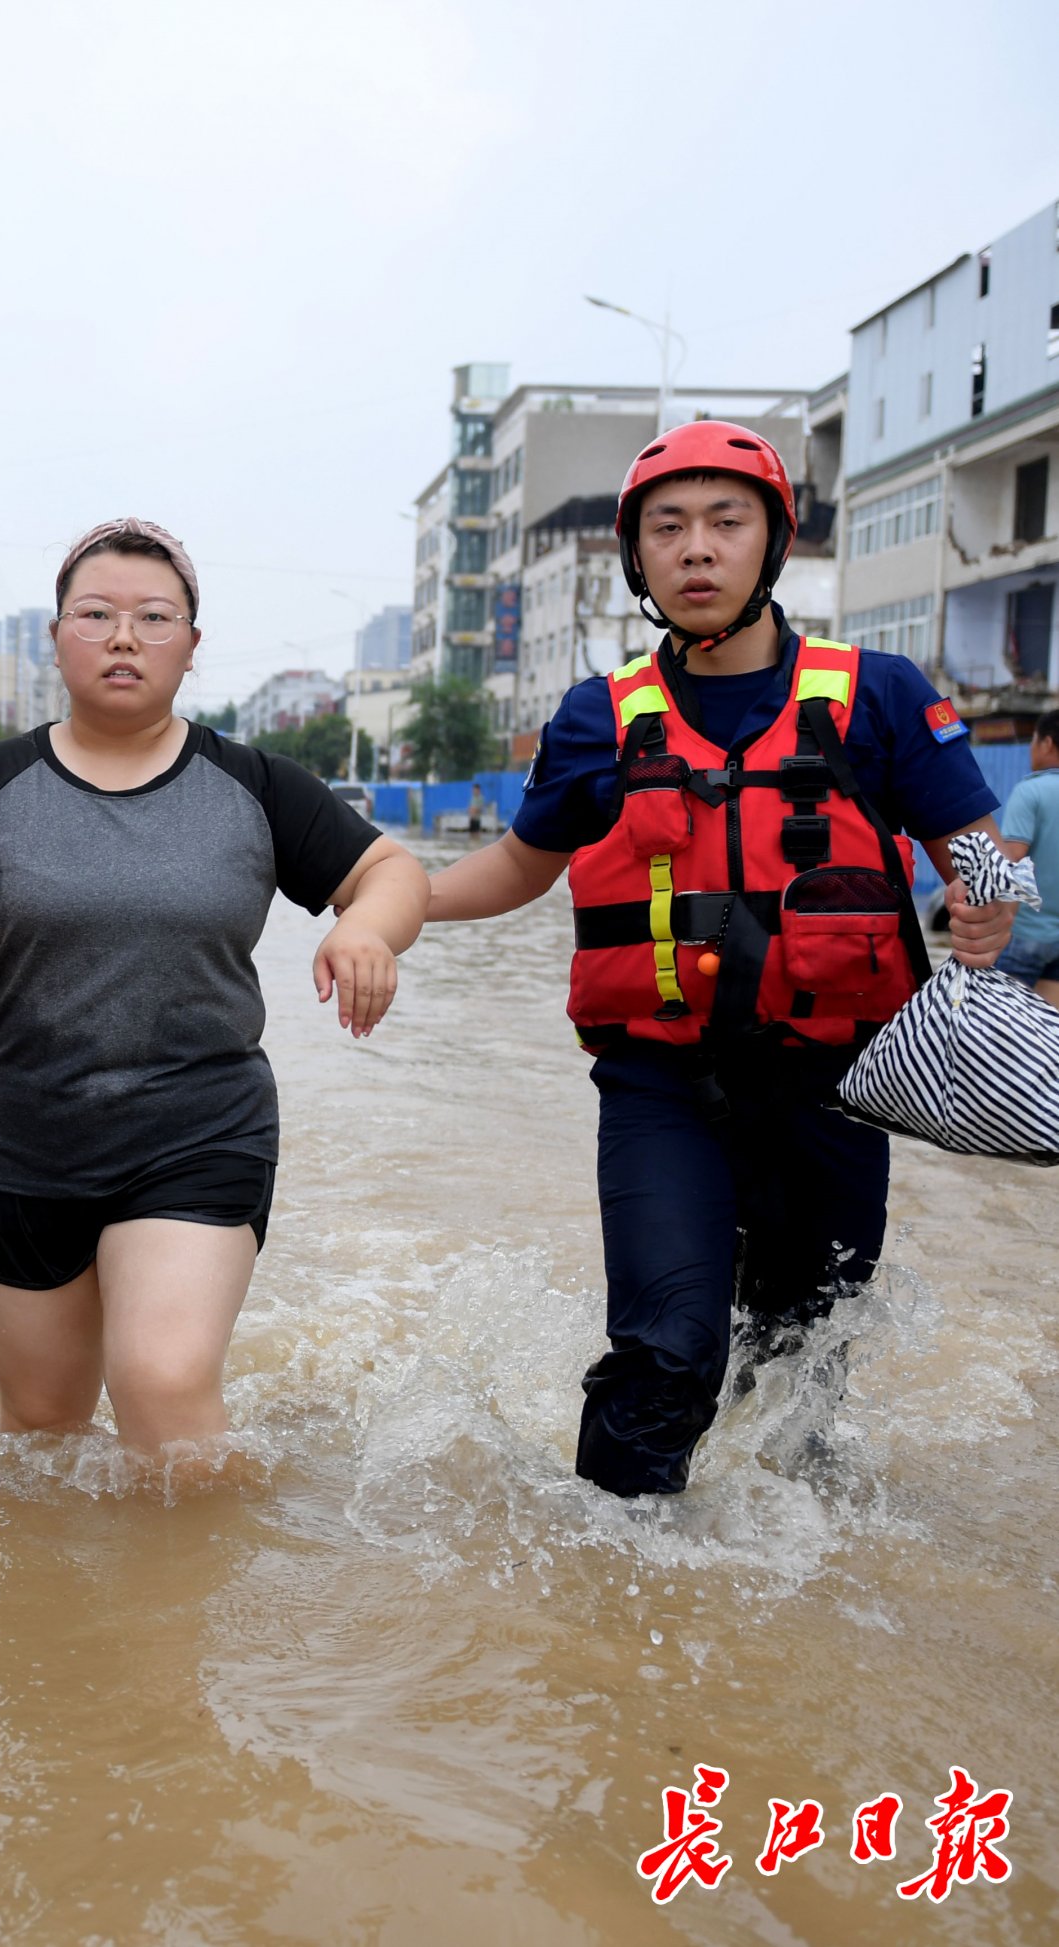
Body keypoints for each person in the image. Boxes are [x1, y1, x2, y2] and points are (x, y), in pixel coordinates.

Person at [424, 423, 1016, 1497]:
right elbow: (517, 868)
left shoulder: (874, 695)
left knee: (798, 1372)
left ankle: (778, 1609)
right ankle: (604, 1614)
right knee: (662, 1361)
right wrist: (389, 907)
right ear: (638, 560)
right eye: (668, 528)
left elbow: (969, 850)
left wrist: (987, 901)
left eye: (723, 522)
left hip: (837, 1088)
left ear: (771, 542)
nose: (695, 548)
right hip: (661, 1086)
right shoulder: (595, 719)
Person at [0, 518, 429, 1459]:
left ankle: (192, 1607)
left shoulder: (253, 783)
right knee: (41, 1435)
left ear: (191, 645)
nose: (122, 637)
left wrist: (364, 925)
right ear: (55, 636)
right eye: (94, 613)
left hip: (197, 1130)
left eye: (154, 617)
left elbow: (391, 868)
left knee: (164, 1386)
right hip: (23, 1139)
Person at [994, 709, 1059, 1007]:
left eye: (1033, 740)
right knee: (1050, 1035)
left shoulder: (1030, 791)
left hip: (1026, 936)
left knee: (1003, 1033)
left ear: (1047, 743)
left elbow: (1012, 859)